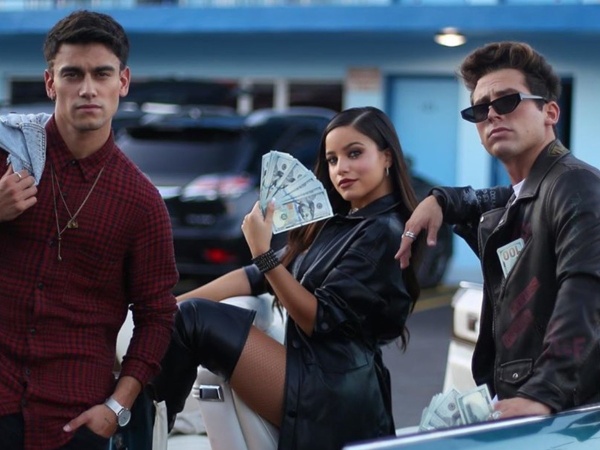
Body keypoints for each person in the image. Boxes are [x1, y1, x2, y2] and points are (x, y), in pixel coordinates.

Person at [149, 106, 424, 450]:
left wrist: (262, 253)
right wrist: (168, 306)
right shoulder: (340, 224)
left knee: (195, 320)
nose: (341, 168)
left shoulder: (385, 231)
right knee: (185, 315)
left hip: (334, 392)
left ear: (387, 157)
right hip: (311, 370)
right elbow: (255, 278)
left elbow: (318, 319)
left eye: (354, 153)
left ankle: (143, 433)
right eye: (332, 159)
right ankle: (146, 428)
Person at [0, 10, 178, 450]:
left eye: (101, 74)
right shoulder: (8, 159)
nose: (87, 89)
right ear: (50, 83)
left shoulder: (141, 202)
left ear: (123, 81)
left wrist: (117, 407)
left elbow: (157, 315)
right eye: (72, 74)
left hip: (73, 421)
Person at [396, 41, 600, 420]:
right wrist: (440, 199)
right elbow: (486, 200)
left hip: (565, 415)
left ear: (550, 112)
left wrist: (544, 393)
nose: (491, 114)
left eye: (507, 101)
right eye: (479, 109)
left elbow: (586, 292)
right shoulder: (526, 195)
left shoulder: (575, 185)